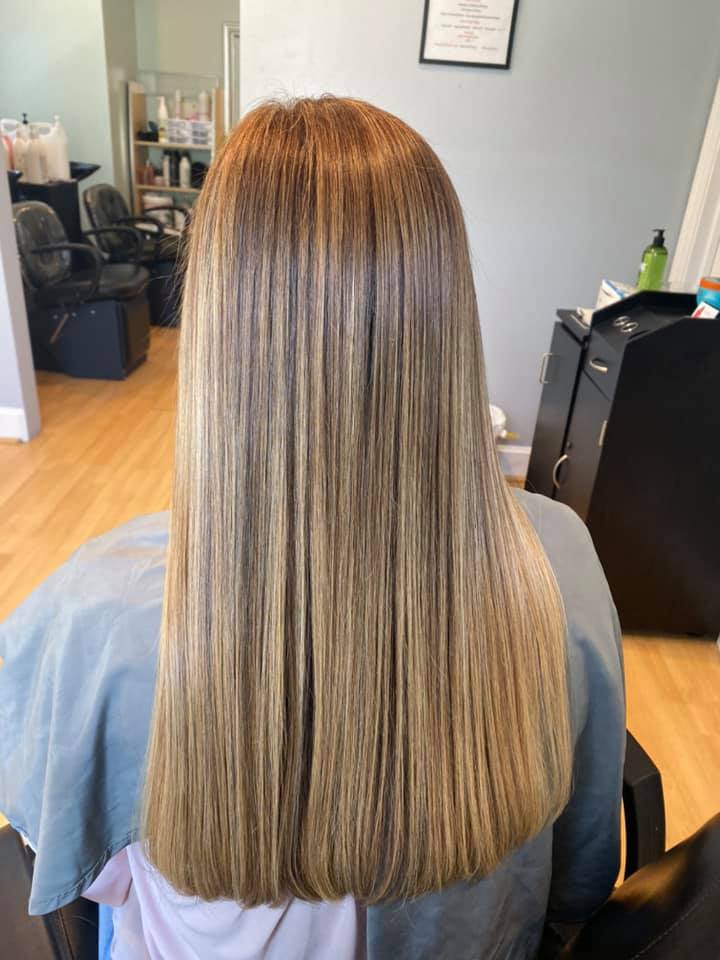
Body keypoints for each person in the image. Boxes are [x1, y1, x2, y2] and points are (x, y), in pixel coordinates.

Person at [0, 97, 624, 960]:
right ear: (444, 315)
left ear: (219, 325)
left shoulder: (99, 617)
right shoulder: (559, 560)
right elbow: (584, 878)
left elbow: (62, 863)